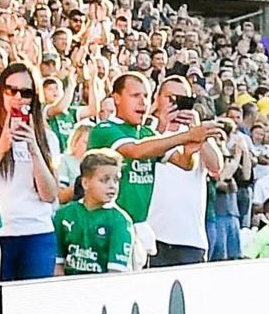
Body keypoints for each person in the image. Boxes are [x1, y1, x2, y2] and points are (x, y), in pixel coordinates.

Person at [88, 73, 223, 268]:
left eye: (145, 96)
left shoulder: (147, 133)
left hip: (140, 233)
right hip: (106, 225)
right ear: (116, 98)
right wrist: (184, 136)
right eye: (135, 96)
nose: (142, 102)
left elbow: (185, 164)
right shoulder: (105, 128)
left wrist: (189, 149)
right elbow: (136, 151)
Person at [0, 63, 61, 281]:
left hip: (37, 232)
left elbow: (49, 194)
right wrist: (2, 146)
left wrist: (34, 148)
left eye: (26, 93)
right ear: (0, 92)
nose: (18, 97)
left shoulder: (48, 138)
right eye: (11, 90)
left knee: (32, 305)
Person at [52, 151, 135, 275]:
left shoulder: (120, 221)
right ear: (85, 183)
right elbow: (57, 264)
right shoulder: (63, 215)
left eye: (116, 180)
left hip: (103, 289)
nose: (112, 186)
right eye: (104, 180)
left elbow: (116, 273)